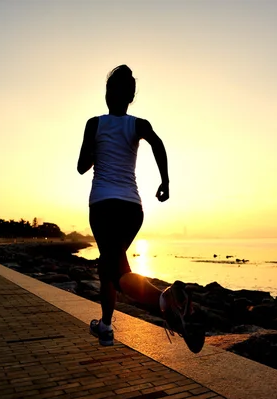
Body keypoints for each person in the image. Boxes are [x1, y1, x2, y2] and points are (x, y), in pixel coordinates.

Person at [77, 65, 205, 353]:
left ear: (108, 94)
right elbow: (157, 143)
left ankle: (166, 301)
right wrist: (165, 182)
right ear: (131, 96)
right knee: (109, 266)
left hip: (103, 206)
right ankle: (106, 326)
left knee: (115, 269)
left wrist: (97, 147)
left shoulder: (94, 124)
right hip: (133, 209)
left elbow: (81, 167)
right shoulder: (138, 123)